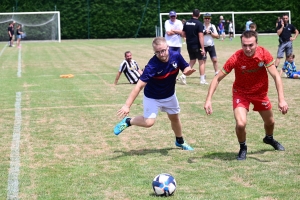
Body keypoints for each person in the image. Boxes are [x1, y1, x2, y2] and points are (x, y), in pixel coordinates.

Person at [204, 31, 288, 160]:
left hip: (260, 93)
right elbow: (217, 78)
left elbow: (276, 76)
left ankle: (269, 138)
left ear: (256, 43)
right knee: (241, 124)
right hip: (241, 93)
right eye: (244, 45)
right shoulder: (236, 58)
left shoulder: (263, 54)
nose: (248, 49)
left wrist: (281, 99)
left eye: (251, 45)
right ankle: (243, 147)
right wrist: (208, 100)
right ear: (241, 44)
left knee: (270, 122)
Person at [113, 37, 196, 150]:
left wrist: (187, 72)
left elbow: (185, 67)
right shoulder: (152, 65)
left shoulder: (176, 55)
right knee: (149, 123)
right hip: (152, 96)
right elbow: (139, 86)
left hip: (169, 95)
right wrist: (127, 105)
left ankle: (180, 141)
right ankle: (128, 121)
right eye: (157, 52)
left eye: (163, 50)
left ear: (168, 47)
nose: (161, 54)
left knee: (175, 118)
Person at [181, 9, 206, 85]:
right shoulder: (199, 24)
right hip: (197, 45)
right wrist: (203, 48)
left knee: (192, 60)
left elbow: (183, 34)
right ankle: (202, 80)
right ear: (199, 15)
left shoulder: (186, 23)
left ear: (192, 14)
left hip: (189, 45)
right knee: (201, 62)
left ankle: (183, 75)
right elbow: (201, 37)